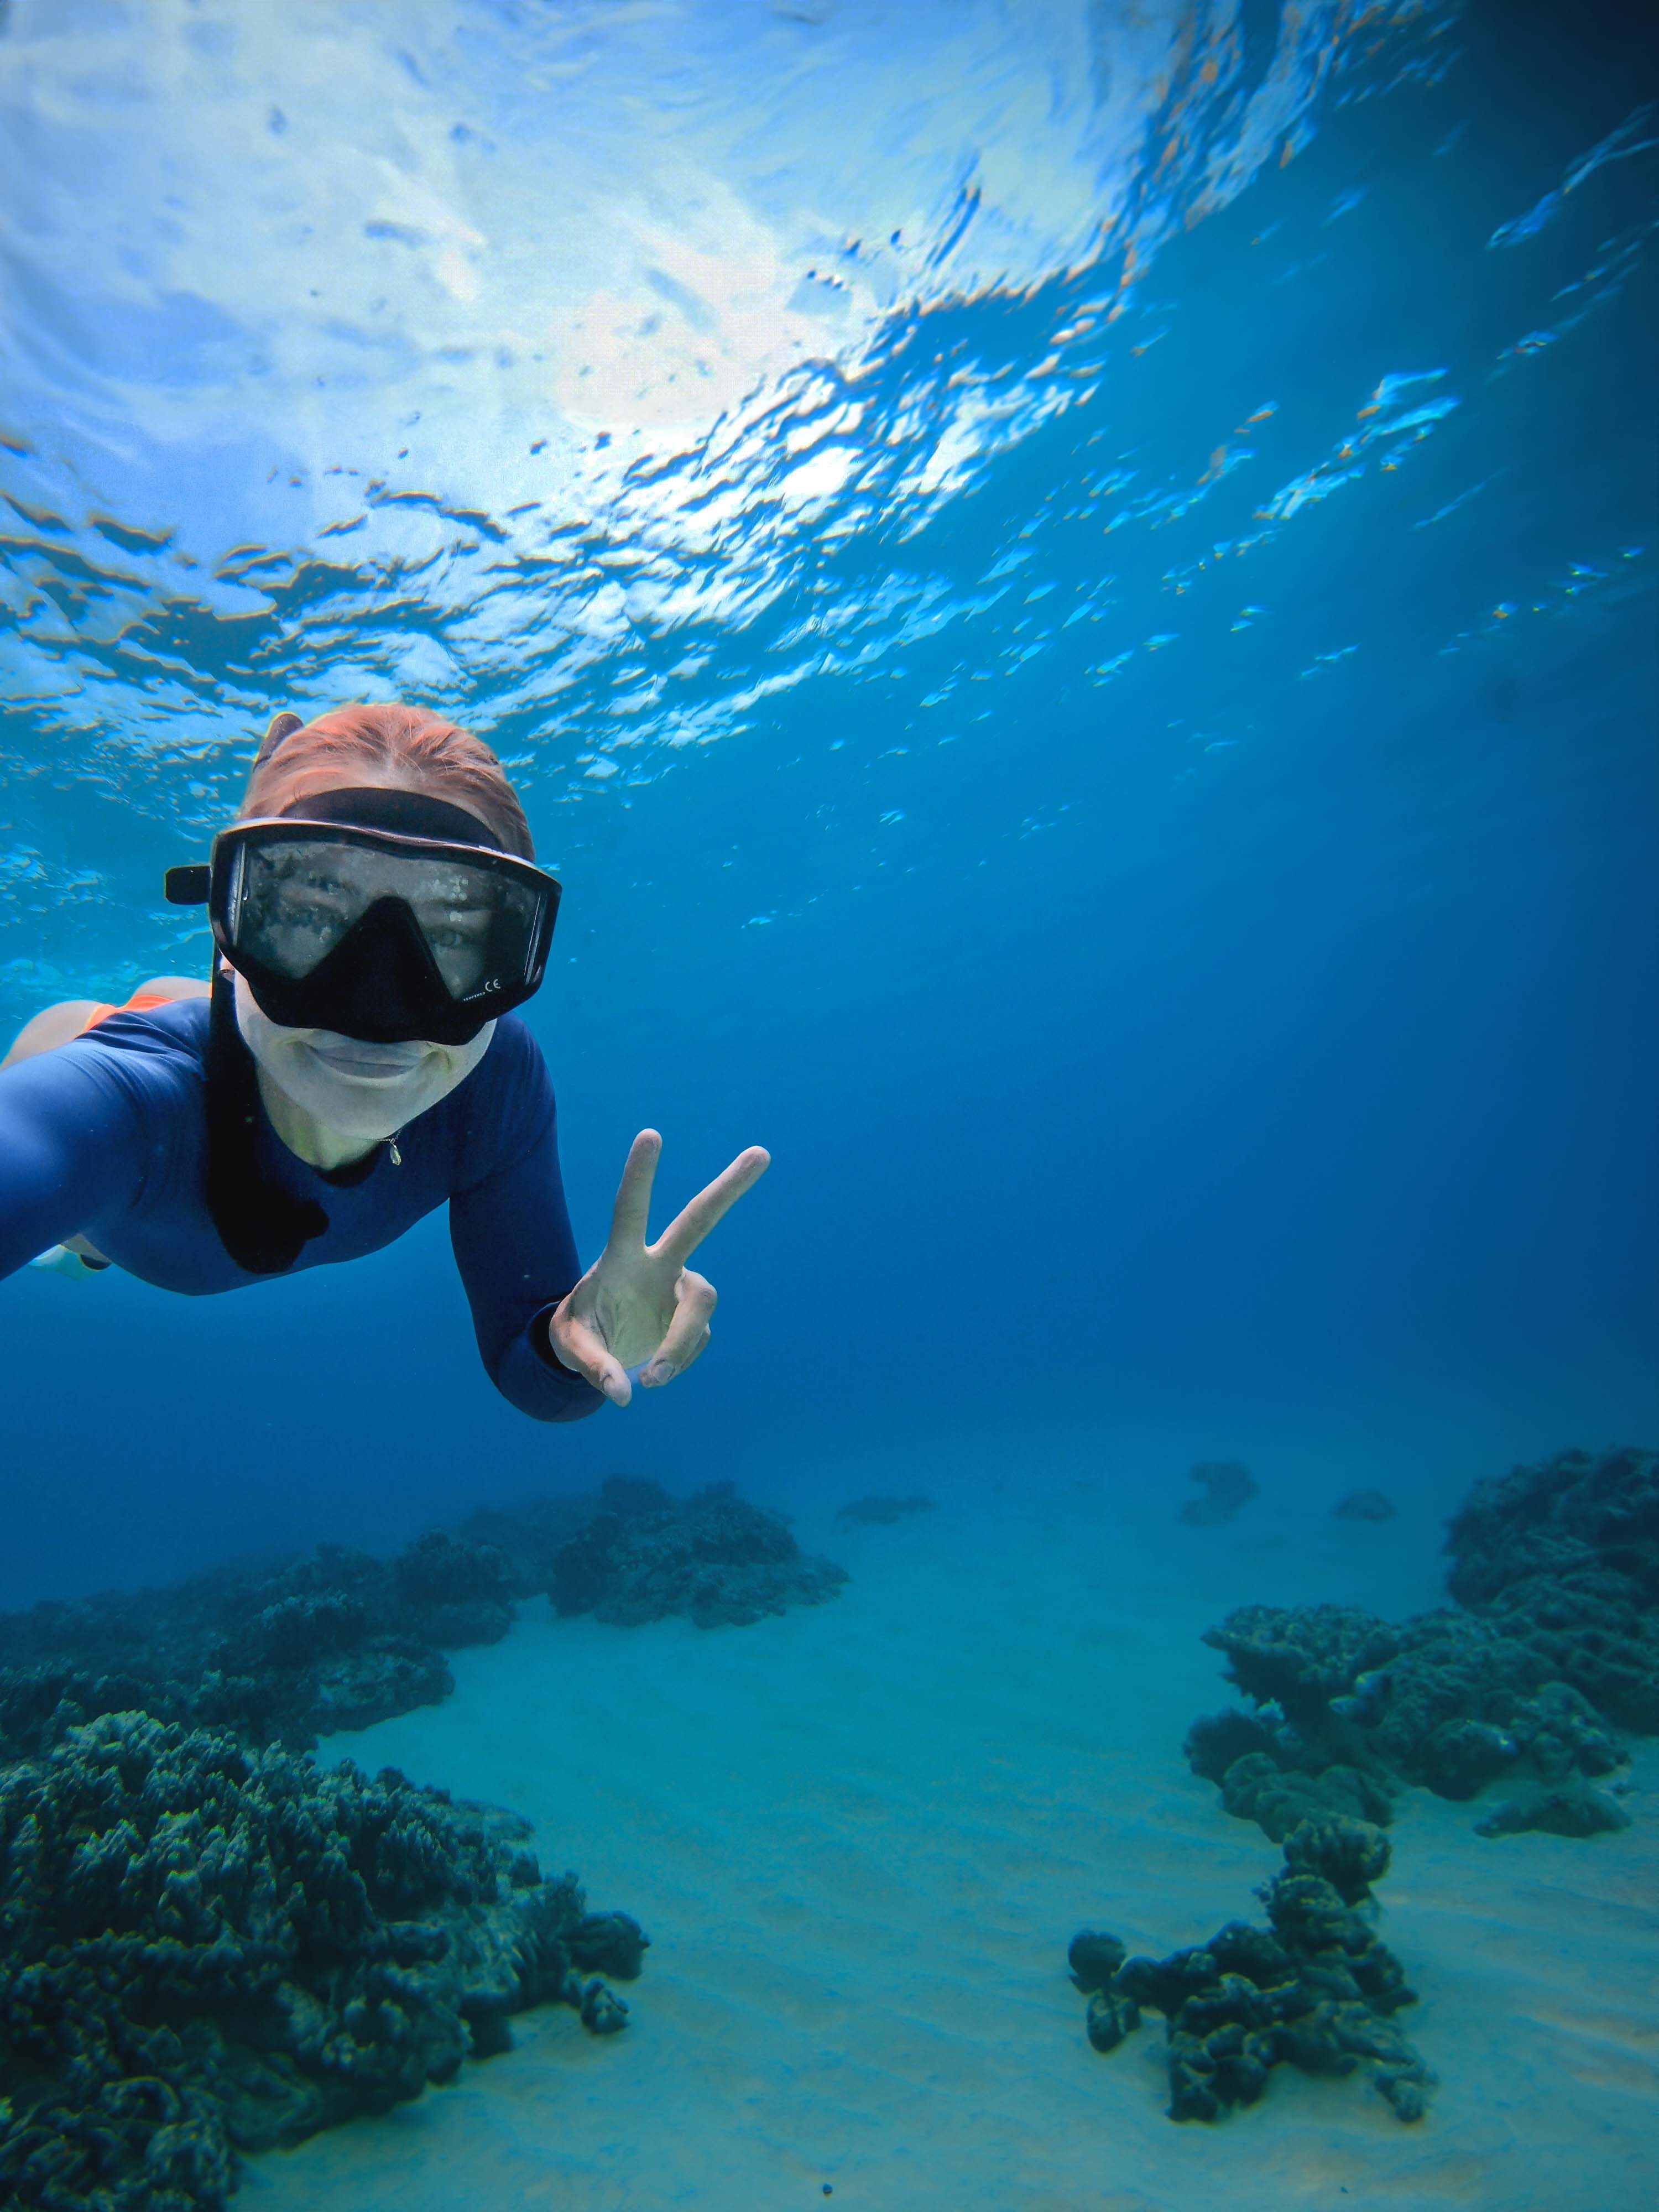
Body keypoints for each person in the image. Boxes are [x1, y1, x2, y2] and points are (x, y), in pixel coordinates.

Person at [0, 703, 769, 1417]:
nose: (379, 1012)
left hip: (255, 1038)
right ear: (229, 933)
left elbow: (536, 1372)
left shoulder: (493, 1083)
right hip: (103, 1060)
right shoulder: (122, 1106)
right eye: (307, 916)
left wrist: (582, 1337)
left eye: (457, 935)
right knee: (78, 1247)